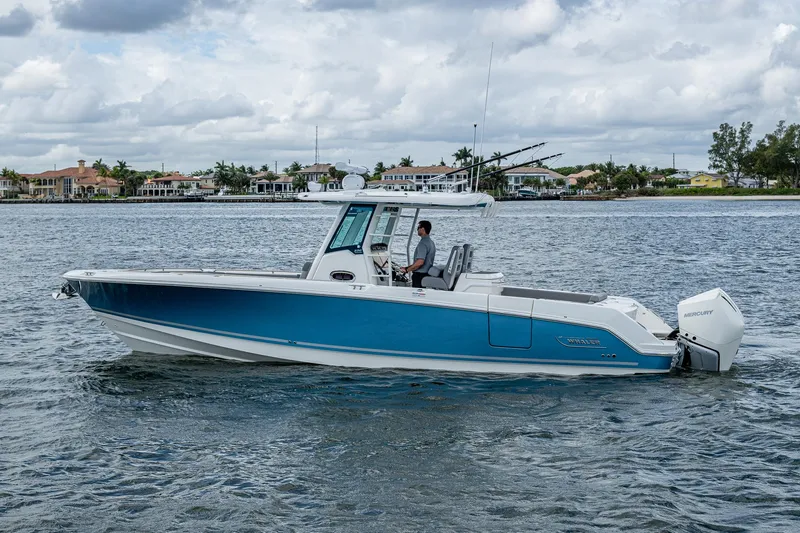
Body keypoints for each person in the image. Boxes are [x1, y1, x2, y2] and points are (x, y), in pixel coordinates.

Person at [400, 220, 436, 288]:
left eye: (418, 228)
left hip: (419, 276)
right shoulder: (431, 242)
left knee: (417, 296)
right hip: (427, 274)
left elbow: (420, 262)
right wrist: (407, 267)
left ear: (422, 229)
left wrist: (407, 270)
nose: (417, 230)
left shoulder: (423, 244)